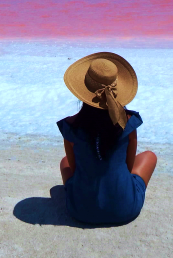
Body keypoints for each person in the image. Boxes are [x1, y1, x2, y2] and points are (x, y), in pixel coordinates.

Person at [57, 52, 157, 225]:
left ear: (83, 93)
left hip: (80, 211)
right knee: (149, 156)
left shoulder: (71, 126)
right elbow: (129, 166)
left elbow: (74, 169)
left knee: (65, 162)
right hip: (124, 210)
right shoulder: (128, 122)